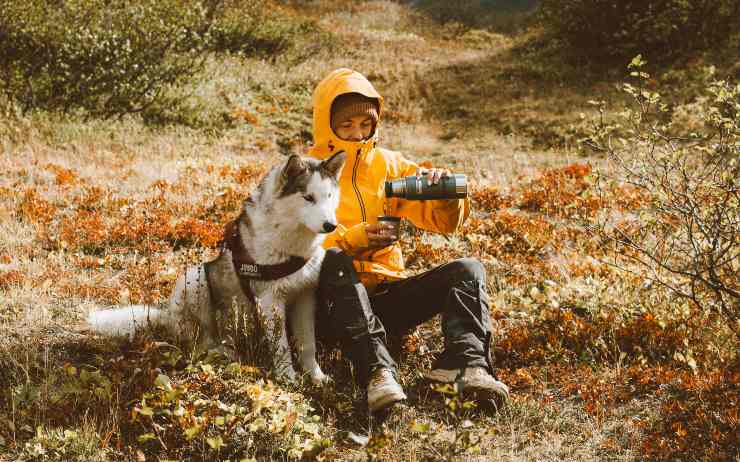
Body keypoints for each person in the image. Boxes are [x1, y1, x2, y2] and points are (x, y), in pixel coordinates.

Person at [307, 68, 509, 413]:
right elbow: (292, 250)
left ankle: (464, 365)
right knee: (335, 261)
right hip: (328, 307)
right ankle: (378, 373)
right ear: (328, 124)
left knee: (467, 270)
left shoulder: (389, 165)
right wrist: (350, 240)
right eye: (346, 125)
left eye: (365, 124)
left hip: (384, 297)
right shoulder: (307, 171)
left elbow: (446, 223)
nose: (358, 133)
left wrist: (446, 196)